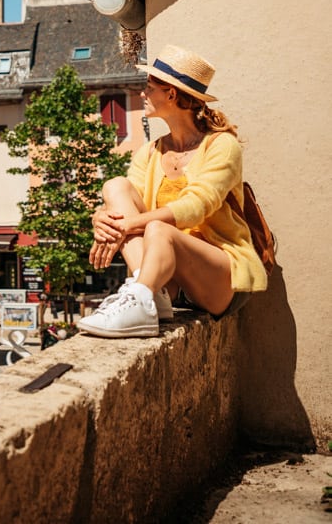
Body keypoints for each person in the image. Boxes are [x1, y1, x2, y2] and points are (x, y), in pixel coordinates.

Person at [78, 45, 268, 339]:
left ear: (171, 94)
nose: (143, 93)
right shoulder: (151, 152)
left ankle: (140, 296)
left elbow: (197, 206)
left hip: (220, 276)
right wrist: (100, 219)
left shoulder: (221, 145)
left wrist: (126, 226)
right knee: (115, 186)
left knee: (158, 229)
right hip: (169, 281)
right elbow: (128, 205)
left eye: (150, 87)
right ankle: (150, 293)